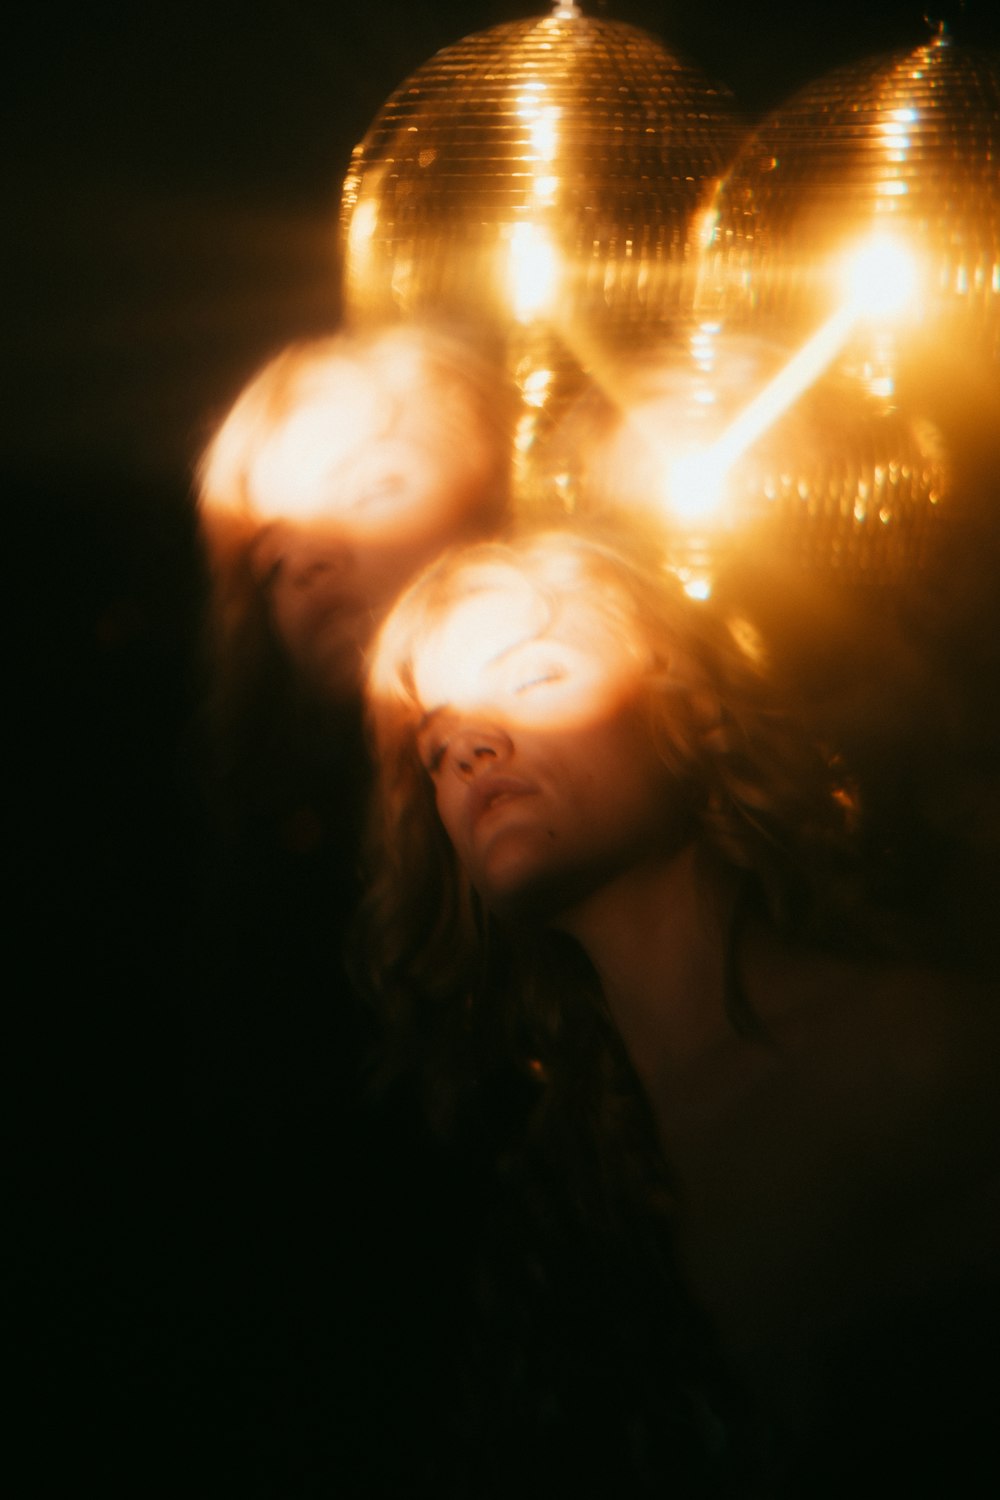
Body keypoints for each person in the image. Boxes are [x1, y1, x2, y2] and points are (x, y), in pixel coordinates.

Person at [364, 525, 1000, 1493]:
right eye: (438, 739)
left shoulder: (931, 1056)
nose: (471, 748)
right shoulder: (531, 1191)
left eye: (533, 677)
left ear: (693, 709)